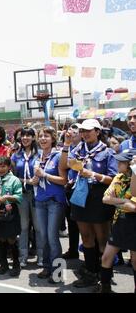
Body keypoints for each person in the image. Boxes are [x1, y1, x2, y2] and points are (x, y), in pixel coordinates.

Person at [68, 119, 117, 288]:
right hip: (81, 195)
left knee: (102, 238)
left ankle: (105, 277)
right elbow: (71, 171)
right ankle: (90, 273)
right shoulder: (76, 150)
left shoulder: (107, 152)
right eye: (82, 131)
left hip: (98, 197)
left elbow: (113, 179)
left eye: (88, 130)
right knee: (86, 236)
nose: (85, 133)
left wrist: (94, 175)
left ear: (97, 131)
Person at [97, 149, 136, 293]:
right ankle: (105, 288)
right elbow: (106, 198)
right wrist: (124, 201)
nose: (118, 163)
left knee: (135, 261)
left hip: (133, 223)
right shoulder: (118, 177)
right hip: (120, 221)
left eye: (123, 161)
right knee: (106, 257)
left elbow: (134, 207)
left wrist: (125, 204)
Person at [33, 127, 68, 283]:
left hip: (55, 201)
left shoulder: (59, 155)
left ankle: (58, 272)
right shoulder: (38, 156)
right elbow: (36, 178)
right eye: (40, 136)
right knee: (43, 236)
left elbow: (64, 180)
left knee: (52, 237)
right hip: (40, 200)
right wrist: (34, 180)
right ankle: (47, 267)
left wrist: (44, 175)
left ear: (53, 139)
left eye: (46, 136)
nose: (42, 139)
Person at [11, 127, 43, 267]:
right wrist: (26, 181)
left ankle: (41, 257)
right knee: (23, 227)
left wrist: (36, 179)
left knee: (38, 227)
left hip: (37, 194)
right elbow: (11, 175)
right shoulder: (15, 155)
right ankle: (22, 257)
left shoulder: (40, 154)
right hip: (22, 195)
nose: (25, 138)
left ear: (33, 137)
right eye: (23, 135)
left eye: (28, 135)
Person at [62, 124, 82, 260]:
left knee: (85, 224)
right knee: (71, 222)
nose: (72, 133)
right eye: (70, 130)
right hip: (68, 190)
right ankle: (73, 249)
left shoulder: (84, 149)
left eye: (76, 131)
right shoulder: (65, 148)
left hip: (81, 189)